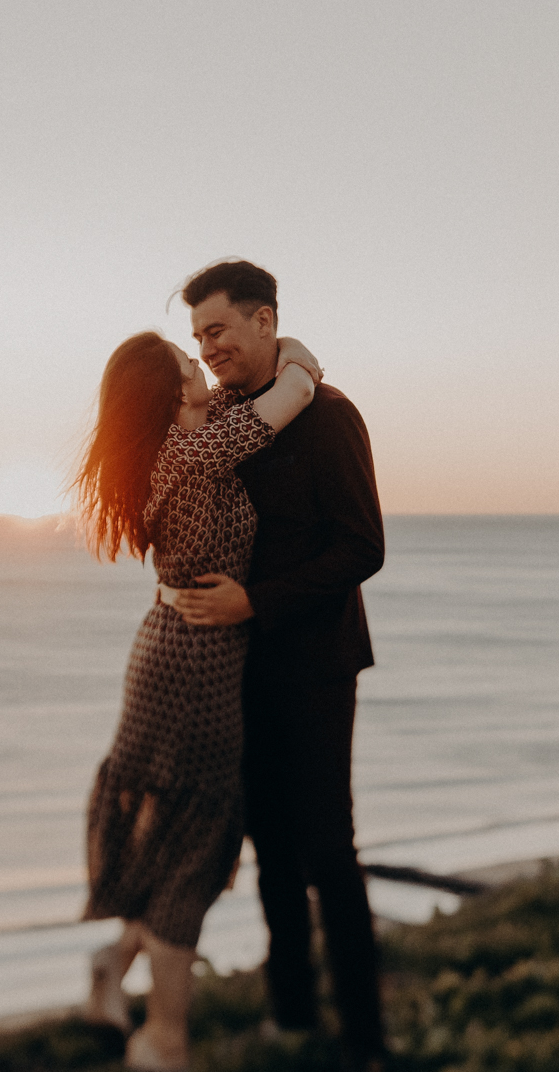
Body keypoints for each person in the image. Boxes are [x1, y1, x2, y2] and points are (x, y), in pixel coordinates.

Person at [73, 327, 326, 1072]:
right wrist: (296, 356)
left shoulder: (195, 430)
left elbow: (249, 395)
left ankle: (113, 968)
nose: (202, 365)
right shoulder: (189, 452)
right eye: (189, 363)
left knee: (178, 830)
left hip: (184, 649)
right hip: (191, 666)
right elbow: (298, 389)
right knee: (192, 843)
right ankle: (164, 1041)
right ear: (170, 392)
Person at [166, 259, 388, 1072]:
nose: (208, 347)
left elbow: (364, 547)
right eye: (197, 337)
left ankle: (365, 1041)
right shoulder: (223, 419)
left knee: (330, 850)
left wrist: (256, 602)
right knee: (268, 852)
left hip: (318, 664)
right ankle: (292, 1018)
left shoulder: (329, 418)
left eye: (218, 330)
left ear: (265, 321)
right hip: (235, 669)